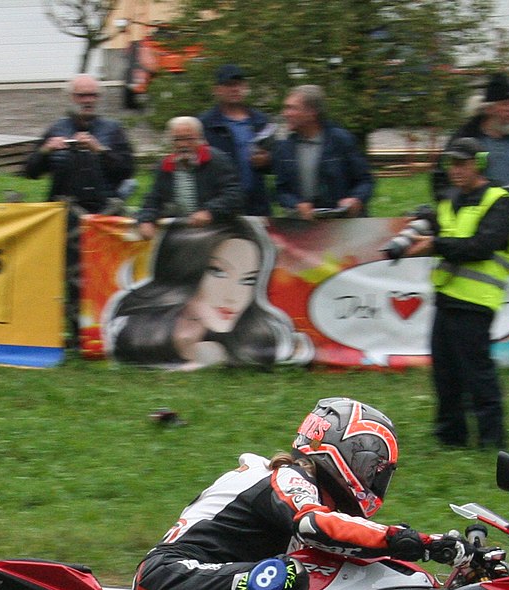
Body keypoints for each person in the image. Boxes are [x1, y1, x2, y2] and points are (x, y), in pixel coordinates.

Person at [132, 397, 461, 590]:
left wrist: (450, 582)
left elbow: (352, 547)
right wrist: (422, 542)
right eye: (368, 466)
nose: (371, 478)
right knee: (287, 577)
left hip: (205, 574)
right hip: (172, 571)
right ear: (335, 450)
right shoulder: (287, 476)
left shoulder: (305, 489)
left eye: (377, 471)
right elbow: (315, 526)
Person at [404, 138, 509, 449]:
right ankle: (450, 436)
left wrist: (436, 245)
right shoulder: (448, 200)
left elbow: (484, 244)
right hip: (447, 296)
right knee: (445, 372)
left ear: (478, 164)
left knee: (477, 373)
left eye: (463, 163)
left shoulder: (498, 200)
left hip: (477, 300)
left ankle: (492, 439)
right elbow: (439, 229)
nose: (456, 170)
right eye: (452, 163)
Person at [105, 218, 311, 369]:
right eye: (218, 272)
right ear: (184, 268)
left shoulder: (257, 336)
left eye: (248, 280)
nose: (233, 297)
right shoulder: (133, 331)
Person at [432, 73, 509, 213]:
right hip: (475, 215)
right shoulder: (465, 137)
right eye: (507, 104)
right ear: (489, 109)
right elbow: (442, 178)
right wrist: (460, 203)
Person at [23, 74, 135, 211]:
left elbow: (128, 171)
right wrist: (46, 149)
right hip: (63, 212)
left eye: (93, 95)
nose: (88, 100)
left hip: (104, 211)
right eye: (82, 95)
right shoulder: (57, 129)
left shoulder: (113, 129)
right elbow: (30, 172)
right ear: (71, 97)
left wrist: (100, 150)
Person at [271, 84, 373, 219]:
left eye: (292, 108)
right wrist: (296, 204)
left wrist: (356, 200)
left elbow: (365, 181)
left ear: (312, 113)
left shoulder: (341, 140)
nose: (285, 113)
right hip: (305, 226)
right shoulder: (285, 147)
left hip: (343, 225)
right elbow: (282, 190)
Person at [136, 117, 244, 240]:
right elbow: (153, 199)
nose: (183, 144)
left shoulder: (217, 160)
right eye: (177, 139)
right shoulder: (165, 166)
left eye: (188, 139)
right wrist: (146, 220)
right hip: (184, 235)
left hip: (220, 232)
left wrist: (210, 211)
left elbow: (234, 194)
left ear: (200, 139)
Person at [199, 64, 272, 217]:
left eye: (239, 84)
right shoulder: (205, 124)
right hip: (219, 205)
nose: (235, 89)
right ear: (216, 90)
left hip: (257, 204)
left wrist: (267, 161)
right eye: (228, 85)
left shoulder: (260, 121)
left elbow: (277, 163)